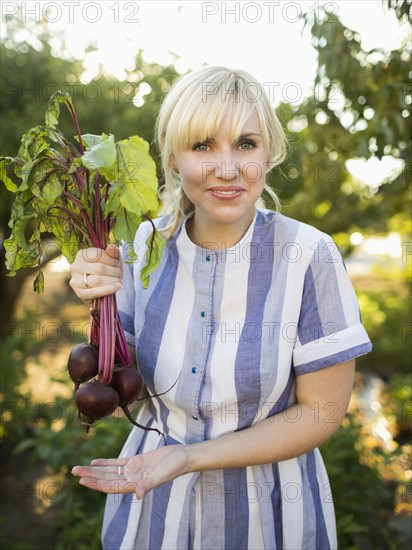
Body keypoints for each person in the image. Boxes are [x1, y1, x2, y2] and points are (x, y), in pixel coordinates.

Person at [70, 66, 372, 550]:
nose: (227, 168)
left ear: (269, 153)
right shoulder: (140, 244)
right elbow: (120, 382)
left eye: (246, 144)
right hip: (152, 505)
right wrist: (93, 299)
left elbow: (322, 411)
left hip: (272, 516)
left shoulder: (309, 254)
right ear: (173, 155)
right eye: (203, 145)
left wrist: (192, 457)